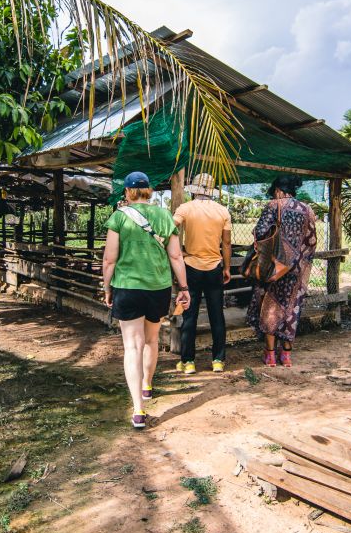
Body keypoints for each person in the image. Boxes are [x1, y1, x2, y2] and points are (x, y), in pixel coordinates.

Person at [103, 171, 190, 429]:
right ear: (148, 191)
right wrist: (183, 286)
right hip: (157, 287)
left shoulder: (118, 218)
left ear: (128, 192)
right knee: (152, 339)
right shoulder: (164, 215)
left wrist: (107, 287)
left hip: (127, 287)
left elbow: (109, 259)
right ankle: (147, 386)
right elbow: (176, 257)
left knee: (132, 346)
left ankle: (139, 411)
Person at [246, 175, 317, 367]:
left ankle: (270, 355)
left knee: (270, 309)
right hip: (296, 272)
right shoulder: (307, 210)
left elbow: (260, 232)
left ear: (278, 190)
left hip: (273, 269)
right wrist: (299, 262)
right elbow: (311, 241)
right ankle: (286, 356)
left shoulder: (273, 206)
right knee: (290, 310)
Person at [173, 172, 232, 374]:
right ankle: (218, 360)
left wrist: (177, 252)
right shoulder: (223, 211)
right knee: (217, 315)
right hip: (214, 267)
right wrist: (226, 267)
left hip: (191, 267)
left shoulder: (185, 209)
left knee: (190, 315)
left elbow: (171, 229)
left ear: (195, 190)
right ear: (212, 191)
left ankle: (188, 362)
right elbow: (226, 242)